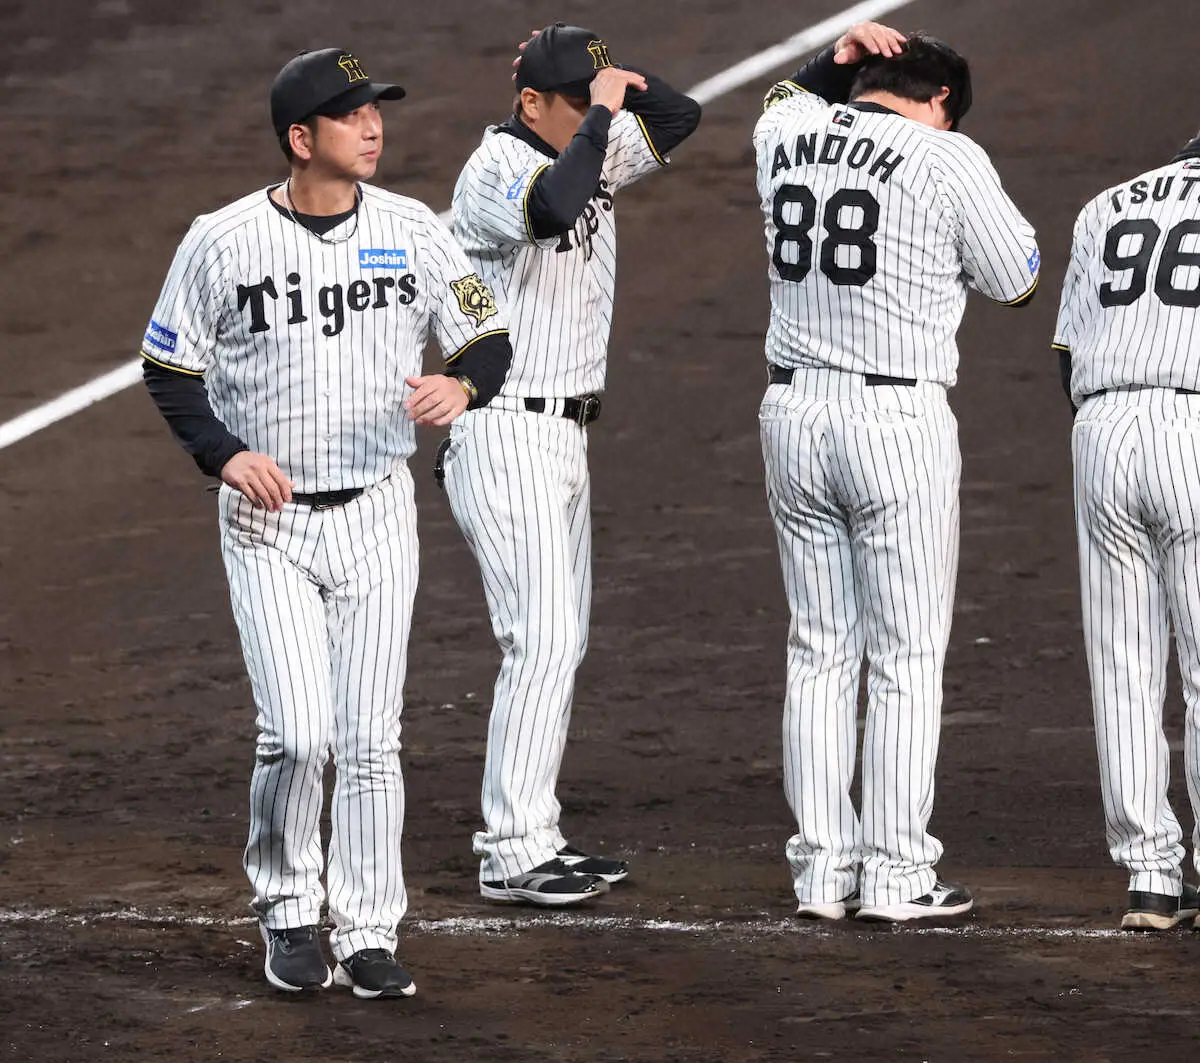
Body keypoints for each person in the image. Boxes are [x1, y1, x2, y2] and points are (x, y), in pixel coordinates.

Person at [140, 47, 512, 994]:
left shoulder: (411, 228)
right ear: (301, 140)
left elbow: (487, 333)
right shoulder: (222, 241)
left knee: (372, 735)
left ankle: (370, 926)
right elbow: (169, 368)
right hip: (269, 523)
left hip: (379, 513)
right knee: (300, 734)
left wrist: (461, 383)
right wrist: (224, 452)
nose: (374, 127)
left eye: (376, 112)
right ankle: (287, 903)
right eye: (352, 117)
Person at [753, 23, 1039, 922]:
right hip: (895, 422)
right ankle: (896, 872)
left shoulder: (780, 134)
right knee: (906, 658)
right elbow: (1017, 278)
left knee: (818, 648)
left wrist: (829, 57)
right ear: (941, 102)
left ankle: (819, 873)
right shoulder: (948, 159)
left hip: (791, 417)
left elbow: (785, 99)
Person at [441, 23, 701, 906]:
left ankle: (535, 834)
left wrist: (615, 82)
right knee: (540, 641)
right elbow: (553, 206)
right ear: (530, 105)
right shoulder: (494, 172)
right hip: (507, 429)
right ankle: (511, 850)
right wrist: (597, 119)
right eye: (577, 97)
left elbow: (680, 114)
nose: (601, 111)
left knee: (560, 642)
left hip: (562, 438)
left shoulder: (584, 141)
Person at [1053, 128, 1200, 931]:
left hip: (1103, 428)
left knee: (1125, 664)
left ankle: (1150, 875)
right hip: (1195, 426)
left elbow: (1067, 358)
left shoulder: (1108, 202)